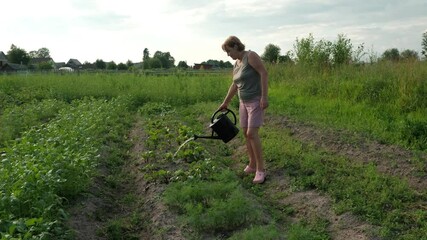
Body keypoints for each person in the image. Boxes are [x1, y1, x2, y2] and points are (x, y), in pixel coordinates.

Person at [218, 36, 269, 184]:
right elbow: (235, 85)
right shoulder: (236, 64)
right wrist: (225, 102)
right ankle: (252, 165)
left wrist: (264, 97)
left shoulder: (250, 56)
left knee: (252, 133)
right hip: (243, 103)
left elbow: (263, 73)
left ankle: (261, 170)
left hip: (255, 101)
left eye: (228, 51)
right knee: (246, 135)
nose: (228, 55)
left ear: (235, 46)